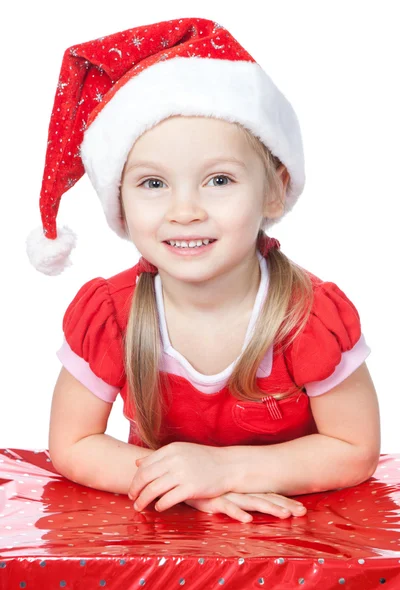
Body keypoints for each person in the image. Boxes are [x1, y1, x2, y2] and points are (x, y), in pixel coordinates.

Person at [26, 17, 380, 524]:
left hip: (294, 541)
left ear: (274, 190)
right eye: (153, 183)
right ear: (120, 203)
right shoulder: (112, 314)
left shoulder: (306, 315)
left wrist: (222, 469)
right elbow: (72, 441)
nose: (185, 210)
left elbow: (355, 447)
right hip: (160, 541)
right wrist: (188, 485)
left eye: (218, 179)